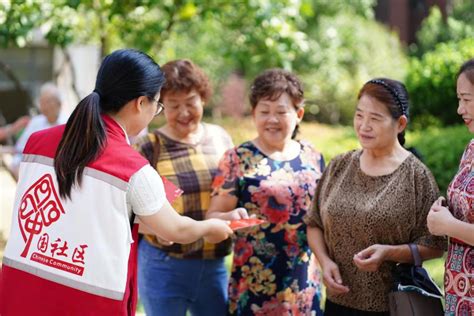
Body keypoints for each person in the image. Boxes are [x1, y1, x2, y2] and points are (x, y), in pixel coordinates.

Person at [0, 49, 232, 316]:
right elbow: (175, 230)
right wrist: (211, 227)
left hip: (25, 290)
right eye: (157, 106)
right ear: (140, 103)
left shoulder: (37, 142)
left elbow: (84, 209)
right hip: (87, 300)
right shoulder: (131, 168)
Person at [304, 78, 446, 315]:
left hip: (392, 305)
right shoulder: (340, 165)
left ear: (400, 124)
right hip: (337, 303)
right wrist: (324, 262)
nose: (363, 126)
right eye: (359, 116)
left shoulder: (416, 176)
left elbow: (434, 246)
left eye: (375, 119)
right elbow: (314, 222)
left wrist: (389, 252)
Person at [207, 69, 324, 315]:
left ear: (298, 114)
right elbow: (212, 218)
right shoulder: (237, 158)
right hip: (254, 283)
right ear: (254, 114)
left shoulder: (312, 156)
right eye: (264, 111)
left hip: (303, 281)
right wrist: (231, 218)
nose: (272, 119)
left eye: (281, 111)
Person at [134, 59, 234, 316]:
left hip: (213, 263)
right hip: (164, 264)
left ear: (203, 98)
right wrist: (156, 228)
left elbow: (233, 192)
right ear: (160, 107)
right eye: (173, 105)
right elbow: (130, 212)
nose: (184, 112)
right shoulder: (148, 146)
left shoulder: (221, 138)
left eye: (190, 102)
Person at [427, 59, 474, 315]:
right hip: (460, 295)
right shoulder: (471, 148)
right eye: (459, 99)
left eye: (466, 99)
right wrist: (443, 210)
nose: (459, 109)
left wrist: (448, 226)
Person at [11, 82, 68, 179]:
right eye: (42, 102)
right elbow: (21, 148)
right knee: (16, 162)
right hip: (36, 165)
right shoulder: (35, 122)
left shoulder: (68, 123)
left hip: (59, 166)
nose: (44, 106)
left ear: (59, 103)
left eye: (48, 101)